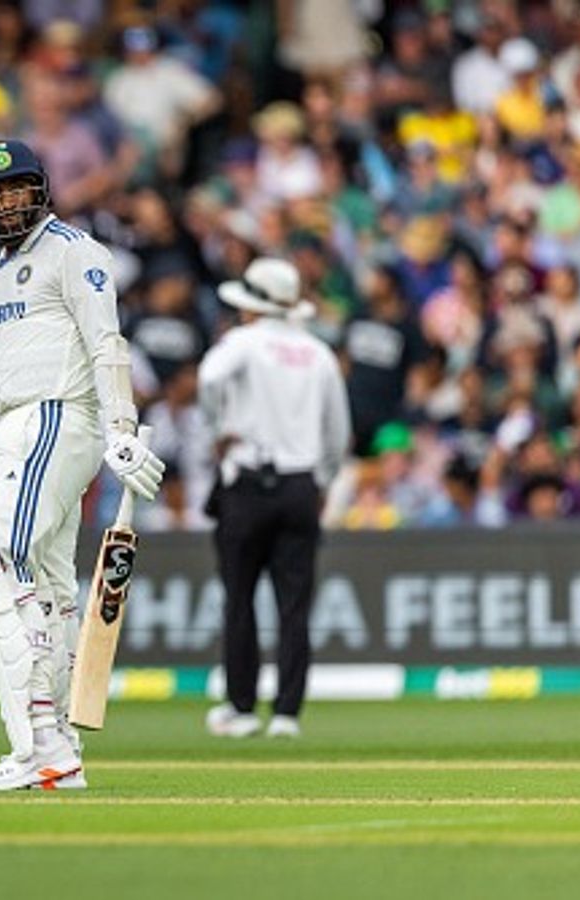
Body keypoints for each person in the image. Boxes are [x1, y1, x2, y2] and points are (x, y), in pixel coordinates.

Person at [0, 138, 163, 791]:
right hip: (16, 428)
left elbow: (107, 341)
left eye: (16, 187)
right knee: (42, 584)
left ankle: (39, 737)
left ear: (40, 188)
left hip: (57, 415)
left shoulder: (74, 252)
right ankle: (58, 749)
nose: (6, 200)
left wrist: (121, 426)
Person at [199, 258, 350, 739]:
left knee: (238, 598)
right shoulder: (318, 353)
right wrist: (321, 479)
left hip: (248, 481)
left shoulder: (244, 342)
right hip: (301, 485)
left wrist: (218, 428)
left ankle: (241, 709)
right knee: (294, 605)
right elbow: (337, 432)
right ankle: (287, 714)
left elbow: (208, 380)